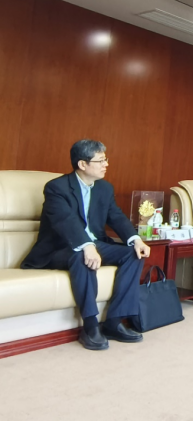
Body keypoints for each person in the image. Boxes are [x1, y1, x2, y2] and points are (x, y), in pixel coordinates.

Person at [21, 140, 150, 351]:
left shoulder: (104, 188)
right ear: (82, 164)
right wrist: (86, 246)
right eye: (101, 160)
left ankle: (114, 322)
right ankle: (90, 326)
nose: (106, 164)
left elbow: (116, 217)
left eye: (106, 159)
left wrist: (136, 240)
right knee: (82, 255)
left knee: (134, 254)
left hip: (95, 244)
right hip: (59, 249)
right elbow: (65, 220)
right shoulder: (56, 187)